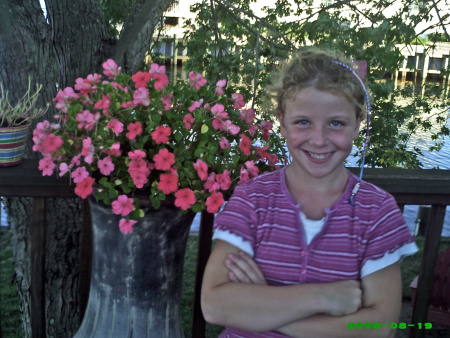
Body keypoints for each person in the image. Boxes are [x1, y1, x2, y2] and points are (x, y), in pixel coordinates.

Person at [200, 49, 418, 338]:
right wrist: (322, 298)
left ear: (358, 123)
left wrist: (263, 308)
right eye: (303, 122)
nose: (318, 140)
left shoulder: (376, 211)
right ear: (282, 120)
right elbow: (215, 305)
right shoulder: (252, 199)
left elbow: (380, 326)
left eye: (336, 123)